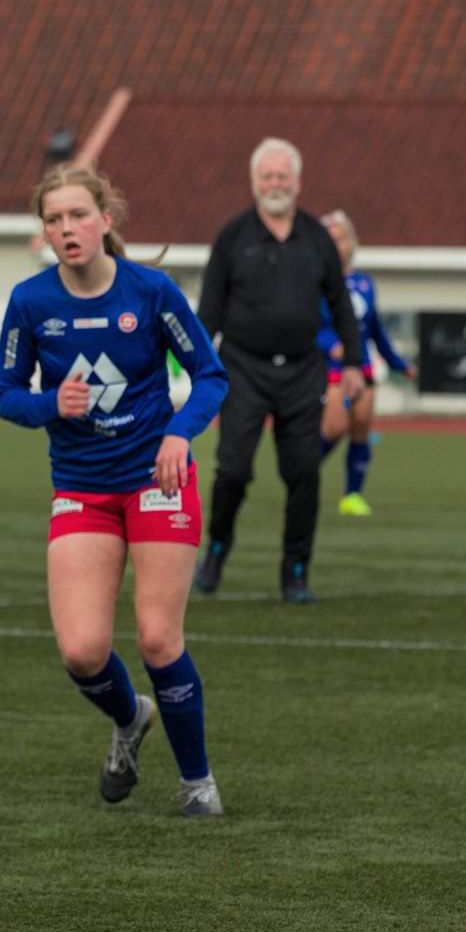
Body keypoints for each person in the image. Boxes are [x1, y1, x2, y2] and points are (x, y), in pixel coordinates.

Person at [0, 164, 230, 816]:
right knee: (81, 651)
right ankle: (130, 720)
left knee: (158, 638)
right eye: (54, 220)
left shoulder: (150, 292)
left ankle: (197, 782)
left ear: (105, 219)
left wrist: (179, 432)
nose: (66, 228)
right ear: (44, 232)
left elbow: (210, 376)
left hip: (158, 480)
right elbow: (5, 394)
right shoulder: (31, 302)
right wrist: (49, 404)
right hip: (82, 487)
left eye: (77, 215)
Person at [192, 139, 366, 603]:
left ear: (297, 182)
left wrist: (353, 360)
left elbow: (341, 304)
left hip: (303, 373)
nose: (275, 184)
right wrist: (197, 367)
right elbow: (208, 311)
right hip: (242, 369)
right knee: (232, 470)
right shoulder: (232, 237)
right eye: (267, 176)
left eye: (282, 176)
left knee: (304, 473)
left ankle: (296, 571)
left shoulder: (317, 239)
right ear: (254, 182)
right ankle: (216, 549)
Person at [316, 210, 416, 517]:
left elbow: (375, 330)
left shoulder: (364, 283)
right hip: (331, 370)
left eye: (341, 238)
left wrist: (398, 363)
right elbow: (308, 325)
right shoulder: (314, 282)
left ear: (351, 243)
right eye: (330, 240)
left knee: (360, 428)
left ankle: (352, 495)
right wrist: (331, 345)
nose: (337, 245)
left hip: (363, 368)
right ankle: (302, 472)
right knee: (334, 427)